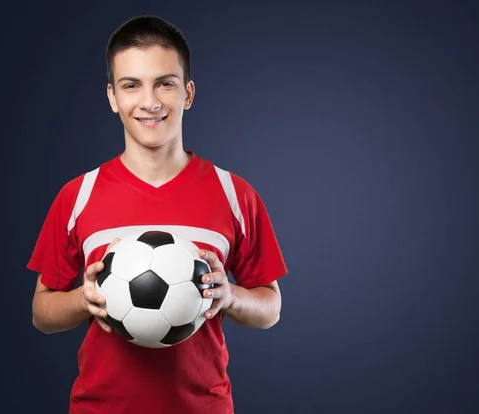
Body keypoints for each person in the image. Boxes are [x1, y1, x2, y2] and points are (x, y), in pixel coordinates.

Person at [28, 14, 288, 414]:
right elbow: (42, 314)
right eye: (131, 85)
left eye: (165, 83)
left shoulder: (235, 193)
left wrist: (230, 295)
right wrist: (85, 299)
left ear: (188, 93)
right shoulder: (77, 196)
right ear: (113, 97)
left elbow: (271, 309)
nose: (149, 102)